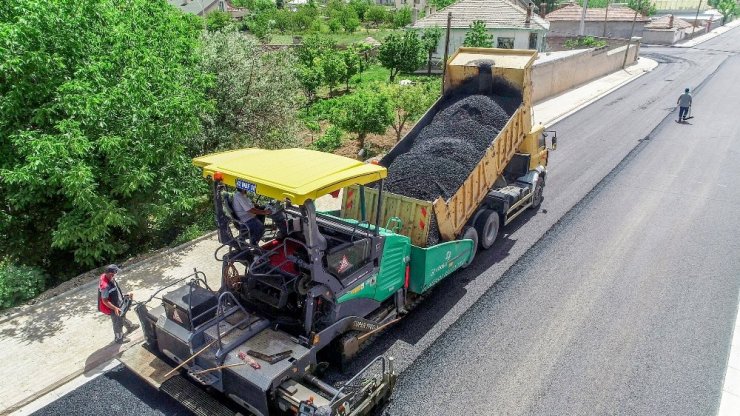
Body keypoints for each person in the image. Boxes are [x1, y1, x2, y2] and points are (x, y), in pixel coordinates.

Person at [98, 264, 139, 344]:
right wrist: (115, 308)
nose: (116, 274)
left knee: (122, 316)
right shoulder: (105, 286)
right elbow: (105, 301)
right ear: (111, 274)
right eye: (115, 272)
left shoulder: (110, 278)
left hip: (118, 302)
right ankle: (119, 338)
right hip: (113, 307)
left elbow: (115, 290)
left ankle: (130, 327)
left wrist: (124, 297)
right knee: (117, 322)